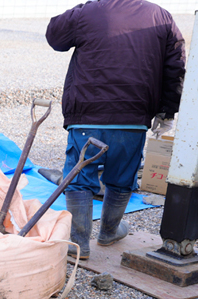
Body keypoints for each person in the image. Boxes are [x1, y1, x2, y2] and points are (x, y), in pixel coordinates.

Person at [45, 0, 186, 260]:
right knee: (122, 176)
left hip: (88, 115)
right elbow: (175, 67)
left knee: (79, 178)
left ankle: (78, 244)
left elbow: (55, 36)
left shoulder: (89, 11)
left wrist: (83, 7)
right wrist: (168, 110)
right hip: (133, 117)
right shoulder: (161, 17)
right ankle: (109, 231)